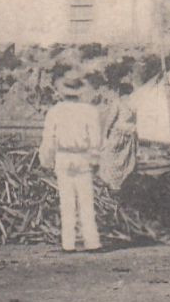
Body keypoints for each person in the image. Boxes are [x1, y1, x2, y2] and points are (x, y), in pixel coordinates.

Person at [40, 78, 104, 252]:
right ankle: (92, 242)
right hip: (82, 157)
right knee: (86, 201)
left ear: (62, 92)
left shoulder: (54, 111)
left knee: (66, 202)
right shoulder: (89, 111)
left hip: (63, 157)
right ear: (80, 92)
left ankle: (68, 243)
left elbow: (49, 139)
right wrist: (95, 159)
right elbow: (96, 138)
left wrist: (46, 160)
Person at [98, 81, 139, 192]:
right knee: (125, 159)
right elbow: (135, 121)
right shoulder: (133, 103)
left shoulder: (118, 102)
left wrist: (106, 132)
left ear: (120, 91)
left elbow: (111, 118)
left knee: (108, 156)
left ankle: (112, 183)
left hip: (118, 133)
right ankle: (122, 182)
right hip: (130, 135)